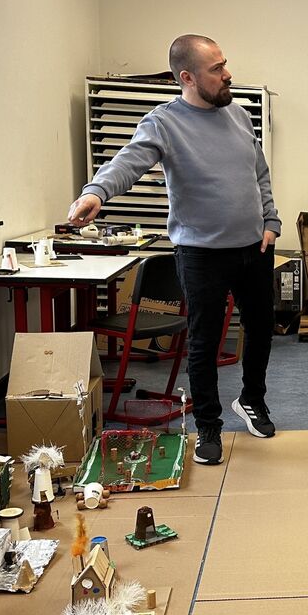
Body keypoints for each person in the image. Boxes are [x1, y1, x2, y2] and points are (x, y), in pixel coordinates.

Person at [68, 35, 279, 466]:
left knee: (260, 329)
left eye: (225, 64)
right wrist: (96, 193)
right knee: (202, 343)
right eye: (216, 69)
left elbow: (259, 173)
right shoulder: (164, 123)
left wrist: (272, 222)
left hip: (253, 247)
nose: (228, 74)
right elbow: (128, 161)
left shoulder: (238, 115)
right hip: (201, 253)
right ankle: (208, 428)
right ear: (187, 77)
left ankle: (252, 400)